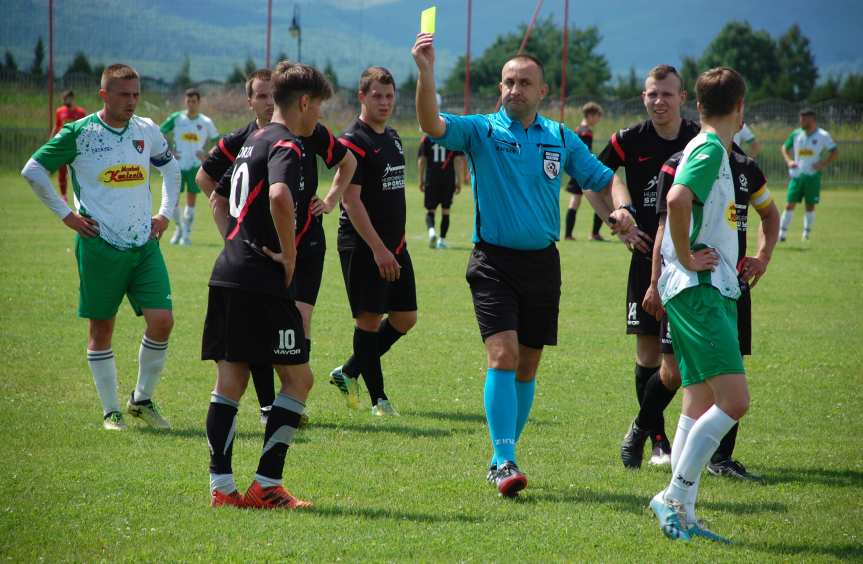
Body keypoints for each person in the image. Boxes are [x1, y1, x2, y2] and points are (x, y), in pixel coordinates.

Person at [412, 33, 631, 497]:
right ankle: (505, 459)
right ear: (500, 87)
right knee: (503, 355)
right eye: (509, 81)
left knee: (528, 366)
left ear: (542, 91)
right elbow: (431, 123)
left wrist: (623, 212)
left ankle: (501, 456)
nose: (515, 89)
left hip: (542, 265)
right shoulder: (482, 130)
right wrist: (426, 72)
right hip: (492, 262)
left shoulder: (560, 137)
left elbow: (605, 179)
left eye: (524, 82)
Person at [202, 61, 332, 509]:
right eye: (318, 108)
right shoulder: (287, 145)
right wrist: (288, 253)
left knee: (229, 382)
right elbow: (279, 197)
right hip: (261, 281)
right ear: (303, 102)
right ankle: (267, 484)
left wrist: (237, 242)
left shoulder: (251, 141)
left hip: (229, 273)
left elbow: (217, 197)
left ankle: (223, 490)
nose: (318, 118)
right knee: (299, 379)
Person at [21, 64, 180, 430]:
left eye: (136, 94)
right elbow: (32, 169)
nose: (132, 101)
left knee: (163, 321)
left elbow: (170, 170)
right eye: (124, 94)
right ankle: (111, 411)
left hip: (145, 245)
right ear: (104, 95)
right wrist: (67, 215)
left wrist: (165, 214)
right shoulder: (80, 133)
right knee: (102, 330)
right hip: (99, 246)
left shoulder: (146, 130)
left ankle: (141, 400)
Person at [197, 69, 357, 425]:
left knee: (237, 375)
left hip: (293, 248)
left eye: (273, 95)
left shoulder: (301, 135)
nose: (269, 102)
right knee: (284, 373)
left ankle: (230, 475)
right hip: (269, 260)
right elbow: (274, 194)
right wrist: (252, 242)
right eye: (263, 95)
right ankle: (273, 413)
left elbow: (347, 161)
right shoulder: (270, 140)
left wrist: (329, 200)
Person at [649, 66, 754, 543]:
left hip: (704, 287)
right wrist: (689, 256)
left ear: (696, 105)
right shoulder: (711, 148)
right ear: (740, 107)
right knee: (735, 400)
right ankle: (673, 496)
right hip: (700, 289)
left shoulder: (708, 145)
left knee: (700, 399)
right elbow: (676, 199)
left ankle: (684, 514)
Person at [641, 140, 779, 484]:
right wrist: (661, 276)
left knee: (708, 386)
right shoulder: (690, 158)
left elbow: (770, 213)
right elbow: (667, 219)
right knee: (681, 375)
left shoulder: (746, 168)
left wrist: (762, 257)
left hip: (730, 288)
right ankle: (644, 433)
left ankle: (711, 467)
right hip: (694, 289)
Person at [596, 65, 701, 469]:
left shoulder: (698, 139)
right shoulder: (628, 139)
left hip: (691, 263)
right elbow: (595, 180)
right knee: (647, 352)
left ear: (683, 98)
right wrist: (619, 225)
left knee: (681, 360)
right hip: (646, 260)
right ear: (643, 97)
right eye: (652, 94)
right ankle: (658, 439)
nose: (659, 101)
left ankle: (649, 431)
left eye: (667, 94)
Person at [328, 67, 417, 416]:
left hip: (395, 246)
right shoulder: (354, 140)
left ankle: (349, 370)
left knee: (406, 317)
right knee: (368, 319)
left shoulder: (393, 137)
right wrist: (378, 249)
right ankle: (379, 399)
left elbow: (393, 193)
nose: (384, 102)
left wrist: (397, 239)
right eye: (377, 96)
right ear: (362, 97)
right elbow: (351, 199)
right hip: (364, 246)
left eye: (390, 96)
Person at [160, 88, 219, 245]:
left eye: (194, 101)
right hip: (177, 165)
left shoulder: (205, 122)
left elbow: (217, 141)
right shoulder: (177, 118)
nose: (191, 104)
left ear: (199, 102)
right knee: (173, 200)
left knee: (191, 199)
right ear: (185, 102)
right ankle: (179, 228)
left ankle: (187, 232)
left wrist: (207, 155)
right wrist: (169, 150)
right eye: (188, 101)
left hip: (195, 166)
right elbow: (159, 132)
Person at [779, 108, 838, 242]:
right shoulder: (796, 134)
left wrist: (823, 164)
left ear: (812, 119)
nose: (801, 121)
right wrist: (789, 161)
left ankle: (806, 234)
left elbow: (835, 151)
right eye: (800, 119)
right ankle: (781, 234)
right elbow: (784, 148)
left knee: (810, 205)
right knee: (789, 204)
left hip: (813, 176)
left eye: (804, 119)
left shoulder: (823, 135)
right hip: (797, 176)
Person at [564, 102, 607, 241]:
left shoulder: (578, 129)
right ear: (590, 115)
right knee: (601, 200)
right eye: (597, 116)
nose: (598, 120)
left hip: (576, 172)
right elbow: (584, 154)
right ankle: (594, 233)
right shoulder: (586, 132)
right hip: (583, 173)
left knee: (574, 202)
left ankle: (568, 235)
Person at [418, 131, 465, 249]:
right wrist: (459, 181)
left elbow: (422, 160)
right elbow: (458, 161)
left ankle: (432, 232)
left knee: (431, 210)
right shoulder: (452, 139)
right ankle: (442, 240)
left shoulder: (427, 139)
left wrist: (421, 179)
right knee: (446, 210)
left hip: (431, 179)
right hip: (448, 180)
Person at [52, 90, 86, 201]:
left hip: (76, 147)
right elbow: (57, 126)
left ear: (72, 99)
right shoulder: (60, 111)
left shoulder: (80, 113)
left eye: (67, 98)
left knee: (80, 171)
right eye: (63, 99)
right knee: (62, 172)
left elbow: (84, 129)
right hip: (63, 146)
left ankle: (83, 194)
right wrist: (51, 140)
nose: (65, 101)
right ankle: (64, 196)